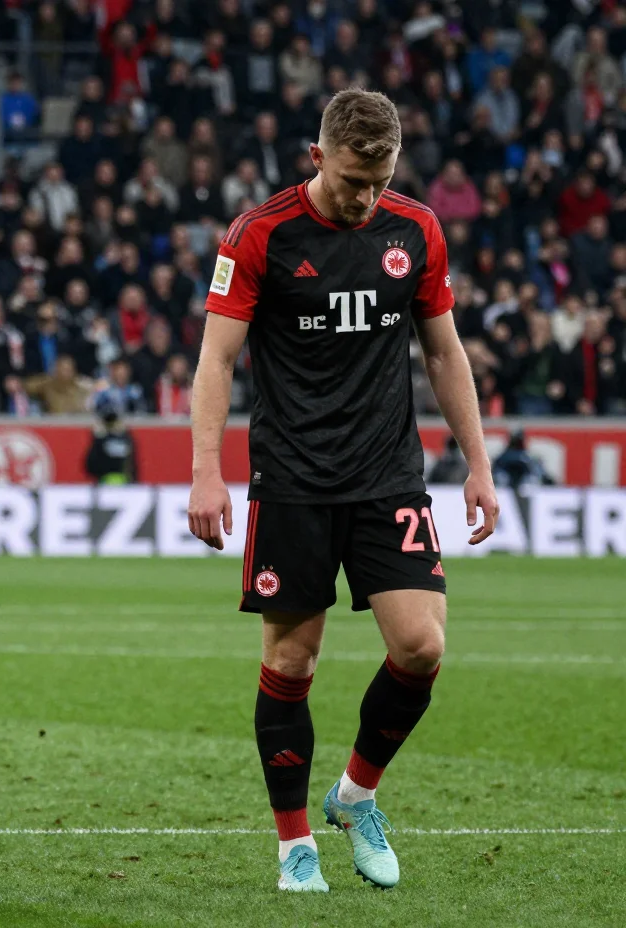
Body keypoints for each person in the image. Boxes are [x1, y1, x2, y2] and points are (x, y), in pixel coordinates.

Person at [188, 90, 499, 894]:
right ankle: (294, 844)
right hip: (291, 477)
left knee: (421, 647)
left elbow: (443, 353)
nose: (365, 197)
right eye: (353, 179)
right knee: (293, 658)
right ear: (318, 155)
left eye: (379, 180)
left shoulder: (416, 229)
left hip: (386, 473)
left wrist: (479, 464)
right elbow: (217, 359)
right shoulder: (260, 234)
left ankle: (355, 796)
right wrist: (204, 469)